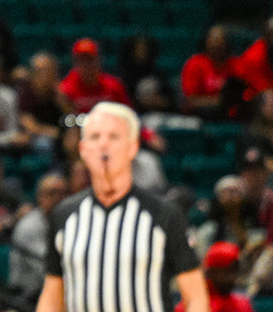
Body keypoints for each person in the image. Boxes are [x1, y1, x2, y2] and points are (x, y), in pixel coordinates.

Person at [34, 102, 204, 312]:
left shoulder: (164, 215)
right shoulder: (64, 216)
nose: (103, 145)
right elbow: (53, 292)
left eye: (114, 137)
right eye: (95, 137)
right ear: (83, 149)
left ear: (132, 147)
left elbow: (195, 295)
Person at [6, 175, 72, 312]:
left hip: (57, 292)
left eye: (63, 193)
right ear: (40, 197)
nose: (58, 198)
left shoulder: (71, 222)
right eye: (52, 193)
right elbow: (50, 269)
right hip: (26, 297)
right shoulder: (29, 226)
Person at [180, 243, 253, 312]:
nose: (232, 277)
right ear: (211, 272)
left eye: (234, 271)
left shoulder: (243, 305)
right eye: (227, 271)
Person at [60, 40, 129, 112]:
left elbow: (127, 112)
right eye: (81, 60)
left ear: (98, 60)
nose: (85, 64)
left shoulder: (113, 86)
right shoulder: (65, 89)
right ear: (75, 62)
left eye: (89, 59)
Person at [183, 27, 237, 118]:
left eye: (220, 40)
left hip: (231, 116)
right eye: (214, 40)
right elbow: (190, 101)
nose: (217, 44)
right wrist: (219, 101)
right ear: (206, 41)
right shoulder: (195, 63)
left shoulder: (235, 64)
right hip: (200, 116)